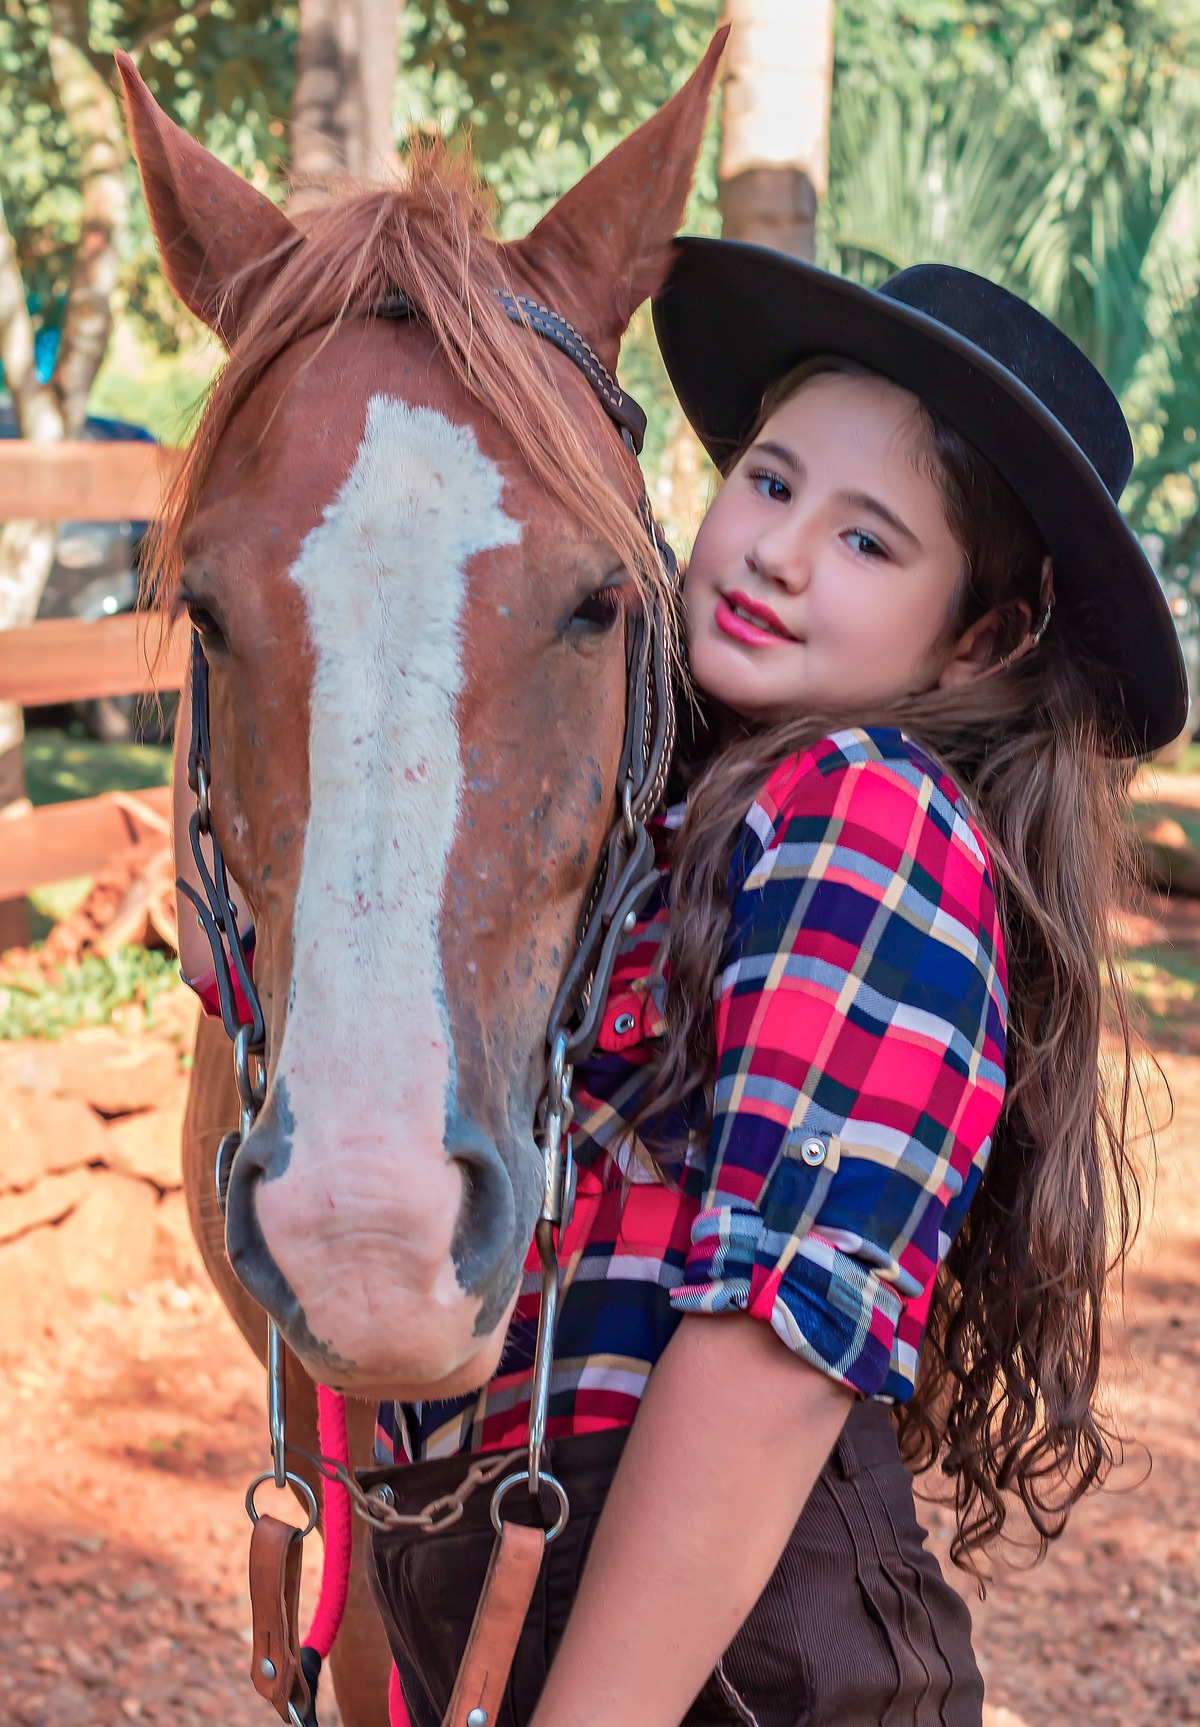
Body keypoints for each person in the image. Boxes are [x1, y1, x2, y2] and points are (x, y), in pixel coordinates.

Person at [177, 249, 1186, 1727]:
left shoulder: (871, 820)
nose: (779, 552)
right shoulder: (684, 816)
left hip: (736, 1676)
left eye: (869, 543)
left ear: (983, 639)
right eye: (771, 485)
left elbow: (772, 1352)